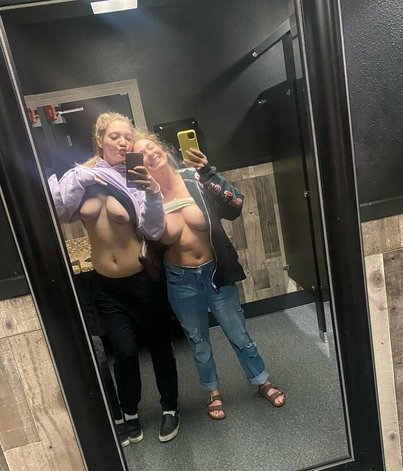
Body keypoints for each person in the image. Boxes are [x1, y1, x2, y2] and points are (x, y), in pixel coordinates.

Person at [133, 130, 286, 419]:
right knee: (198, 341)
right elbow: (149, 234)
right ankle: (212, 391)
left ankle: (261, 380)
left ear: (162, 149)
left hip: (215, 272)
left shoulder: (194, 178)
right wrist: (148, 193)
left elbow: (235, 206)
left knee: (238, 333)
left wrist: (208, 173)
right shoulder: (144, 198)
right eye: (141, 155)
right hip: (180, 279)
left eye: (151, 147)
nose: (150, 155)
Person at [48, 112, 180, 445]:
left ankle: (170, 407)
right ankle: (130, 413)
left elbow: (154, 230)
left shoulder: (136, 177)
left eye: (127, 137)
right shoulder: (80, 176)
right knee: (124, 352)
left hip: (142, 280)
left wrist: (152, 194)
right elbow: (59, 212)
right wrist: (80, 179)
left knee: (160, 346)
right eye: (114, 137)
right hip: (106, 285)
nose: (123, 143)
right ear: (100, 140)